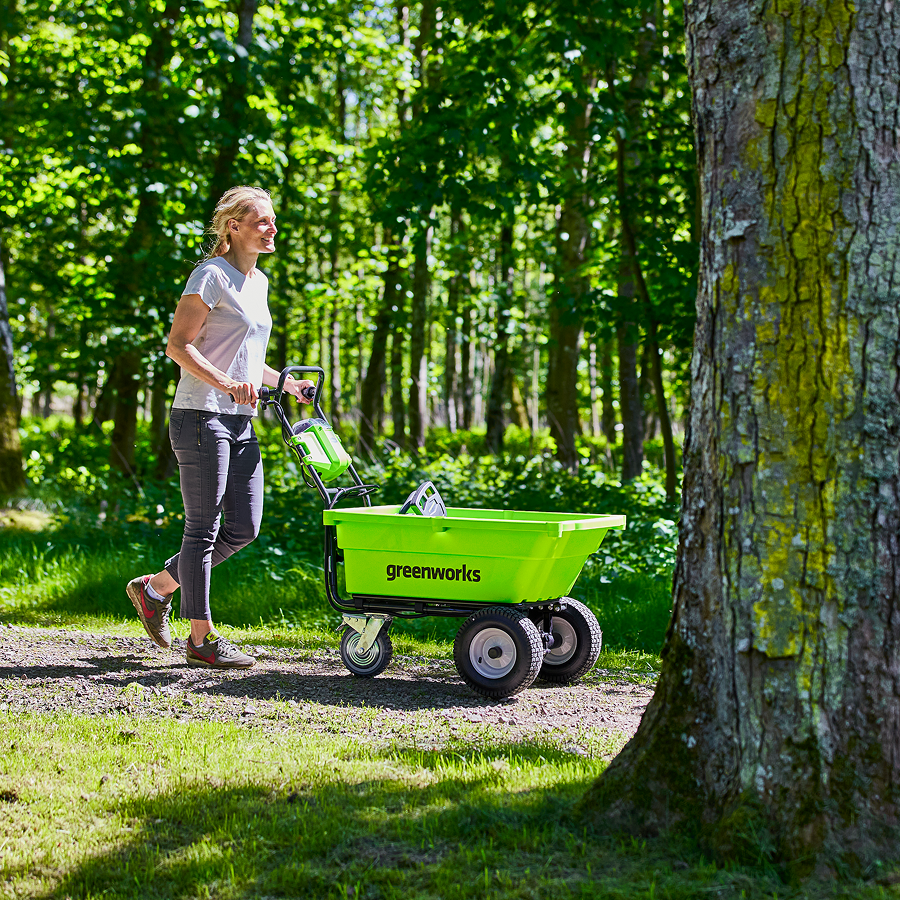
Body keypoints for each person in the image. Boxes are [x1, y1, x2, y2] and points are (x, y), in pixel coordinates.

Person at [126, 186, 314, 669]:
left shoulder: (259, 282)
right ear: (234, 226)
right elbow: (178, 346)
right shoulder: (210, 275)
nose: (272, 228)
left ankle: (156, 589)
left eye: (273, 220)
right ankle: (201, 639)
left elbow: (247, 358)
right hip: (200, 415)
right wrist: (228, 384)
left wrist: (285, 383)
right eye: (262, 221)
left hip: (240, 420)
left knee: (244, 527)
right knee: (203, 529)